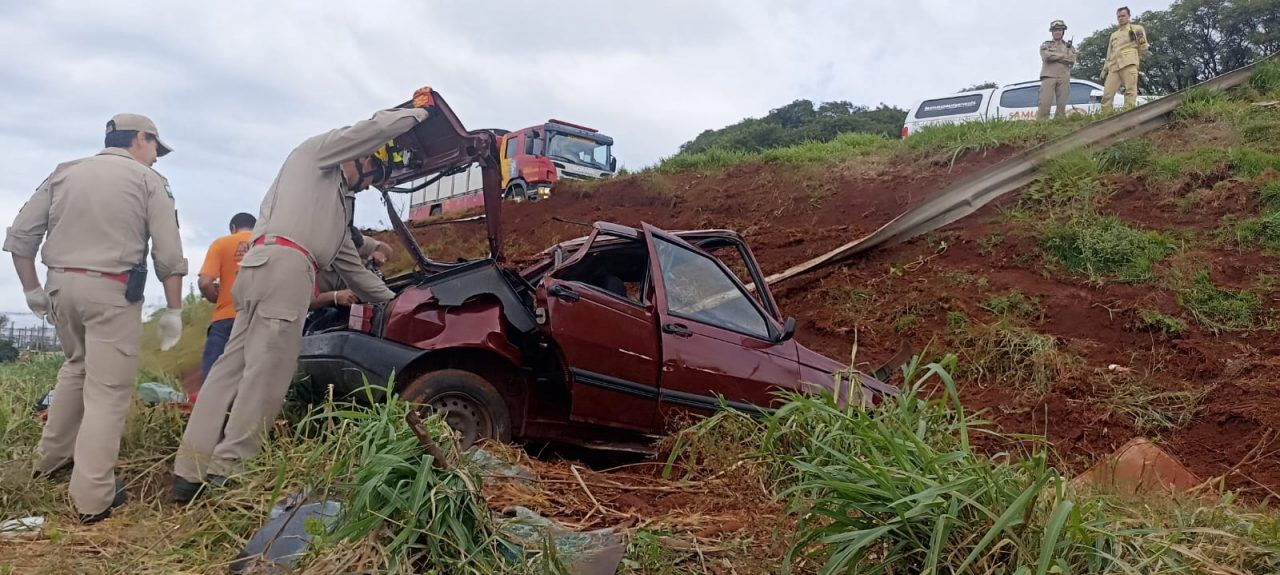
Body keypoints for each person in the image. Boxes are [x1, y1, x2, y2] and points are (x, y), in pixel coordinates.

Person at [172, 97, 431, 502]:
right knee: (267, 375)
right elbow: (371, 129)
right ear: (360, 157)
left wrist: (401, 300)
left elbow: (354, 270)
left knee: (229, 371)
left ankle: (189, 472)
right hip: (286, 268)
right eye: (371, 174)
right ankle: (229, 471)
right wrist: (419, 114)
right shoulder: (317, 154)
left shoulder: (330, 207)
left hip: (260, 269)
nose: (366, 185)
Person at [4, 113, 187, 524]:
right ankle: (93, 498)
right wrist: (175, 309)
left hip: (60, 286)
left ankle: (50, 462)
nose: (157, 157)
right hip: (111, 290)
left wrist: (32, 288)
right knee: (108, 391)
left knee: (76, 368)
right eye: (156, 147)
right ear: (140, 139)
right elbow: (169, 253)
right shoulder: (149, 181)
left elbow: (21, 237)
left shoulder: (64, 172)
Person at [196, 212, 256, 386]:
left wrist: (214, 297)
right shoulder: (266, 244)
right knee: (253, 378)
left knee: (212, 379)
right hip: (258, 318)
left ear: (233, 228)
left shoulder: (221, 244)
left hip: (225, 319)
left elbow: (205, 282)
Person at [1101, 6, 1150, 112]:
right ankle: (1106, 115)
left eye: (1123, 16)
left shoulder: (1136, 29)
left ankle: (1128, 114)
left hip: (1129, 64)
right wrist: (1105, 69)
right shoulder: (1114, 35)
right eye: (1118, 16)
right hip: (1114, 67)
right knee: (1107, 94)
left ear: (1129, 16)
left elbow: (1143, 46)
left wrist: (1135, 58)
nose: (1120, 18)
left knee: (1130, 91)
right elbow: (1109, 53)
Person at [1037, 20, 1077, 120]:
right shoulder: (1047, 45)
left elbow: (1072, 59)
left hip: (1064, 76)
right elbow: (1046, 57)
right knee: (1044, 103)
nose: (1057, 32)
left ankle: (1059, 122)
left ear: (1063, 31)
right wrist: (1063, 56)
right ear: (1052, 32)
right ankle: (1042, 124)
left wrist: (1055, 56)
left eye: (1059, 30)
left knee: (1062, 104)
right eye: (1055, 30)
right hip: (1049, 76)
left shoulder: (1069, 47)